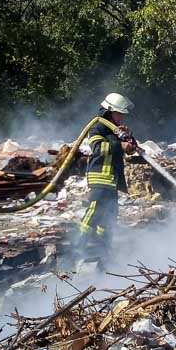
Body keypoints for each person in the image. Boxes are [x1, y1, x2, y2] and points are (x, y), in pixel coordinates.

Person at [77, 92, 136, 263]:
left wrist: (130, 142)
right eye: (119, 114)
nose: (121, 117)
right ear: (110, 111)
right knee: (92, 215)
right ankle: (77, 249)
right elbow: (98, 147)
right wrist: (120, 145)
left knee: (109, 217)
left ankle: (104, 253)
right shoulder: (98, 127)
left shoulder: (115, 129)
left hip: (112, 181)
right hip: (100, 179)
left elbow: (129, 148)